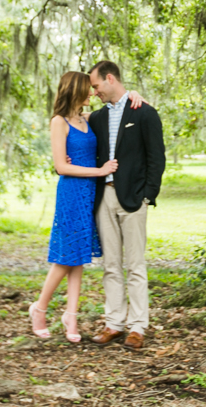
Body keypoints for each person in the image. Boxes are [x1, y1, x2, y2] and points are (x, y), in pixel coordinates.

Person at [29, 71, 143, 342]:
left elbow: (119, 112)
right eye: (88, 89)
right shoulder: (58, 122)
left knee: (79, 257)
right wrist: (99, 171)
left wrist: (136, 96)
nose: (93, 93)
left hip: (90, 194)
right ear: (75, 90)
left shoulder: (86, 119)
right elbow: (61, 166)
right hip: (71, 194)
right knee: (65, 258)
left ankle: (71, 317)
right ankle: (39, 309)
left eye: (94, 89)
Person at [88, 60, 166, 350]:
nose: (95, 91)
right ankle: (114, 324)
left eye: (96, 85)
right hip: (104, 197)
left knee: (134, 265)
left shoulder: (144, 112)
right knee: (110, 265)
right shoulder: (96, 118)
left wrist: (148, 194)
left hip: (134, 198)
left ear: (110, 79)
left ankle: (137, 327)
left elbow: (156, 158)